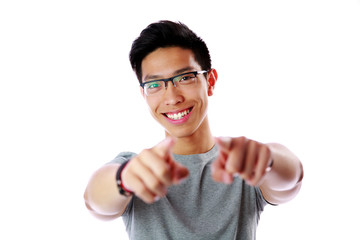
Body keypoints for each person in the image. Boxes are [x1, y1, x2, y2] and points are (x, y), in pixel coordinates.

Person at [84, 20, 304, 240]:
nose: (172, 98)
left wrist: (267, 160)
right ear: (144, 95)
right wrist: (124, 180)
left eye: (185, 78)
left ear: (210, 81)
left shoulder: (243, 164)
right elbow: (94, 201)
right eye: (154, 85)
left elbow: (291, 179)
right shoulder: (135, 169)